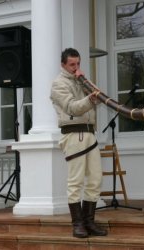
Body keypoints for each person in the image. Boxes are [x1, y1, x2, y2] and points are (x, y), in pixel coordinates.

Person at [50, 48, 107, 238]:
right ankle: (77, 224)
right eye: (72, 65)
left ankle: (89, 221)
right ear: (63, 65)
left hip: (90, 134)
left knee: (95, 179)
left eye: (78, 64)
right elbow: (73, 107)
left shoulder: (80, 79)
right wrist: (91, 98)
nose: (76, 68)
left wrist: (86, 82)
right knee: (75, 182)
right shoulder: (58, 84)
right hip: (74, 135)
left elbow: (98, 95)